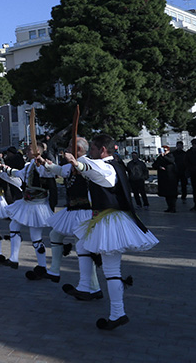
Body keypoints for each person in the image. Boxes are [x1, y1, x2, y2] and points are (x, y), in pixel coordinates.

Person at [65, 134, 158, 330]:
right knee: (83, 246)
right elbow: (90, 170)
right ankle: (88, 288)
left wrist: (78, 162)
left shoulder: (107, 167)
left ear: (103, 150)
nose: (90, 152)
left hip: (110, 221)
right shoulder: (111, 165)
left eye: (93, 149)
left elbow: (94, 170)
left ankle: (117, 312)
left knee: (112, 270)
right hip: (107, 219)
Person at [41, 137, 102, 293]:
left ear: (78, 150)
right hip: (73, 209)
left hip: (85, 210)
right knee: (55, 234)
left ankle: (93, 287)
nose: (67, 150)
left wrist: (76, 164)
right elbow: (60, 170)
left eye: (69, 147)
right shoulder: (70, 165)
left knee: (83, 246)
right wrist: (45, 163)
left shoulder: (87, 163)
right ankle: (54, 271)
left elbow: (88, 174)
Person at [4, 141, 55, 275]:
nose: (27, 152)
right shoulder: (29, 165)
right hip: (27, 203)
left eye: (29, 150)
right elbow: (19, 173)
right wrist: (5, 169)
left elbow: (49, 173)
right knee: (14, 225)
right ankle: (14, 258)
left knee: (35, 236)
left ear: (37, 152)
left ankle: (42, 266)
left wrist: (44, 164)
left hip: (38, 205)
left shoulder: (42, 166)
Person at [152, 147, 178, 212]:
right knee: (166, 194)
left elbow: (171, 161)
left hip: (171, 177)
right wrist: (159, 166)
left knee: (172, 194)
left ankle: (173, 207)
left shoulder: (171, 155)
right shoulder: (160, 157)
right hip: (164, 178)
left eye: (165, 150)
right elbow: (154, 165)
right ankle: (169, 207)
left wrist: (164, 156)